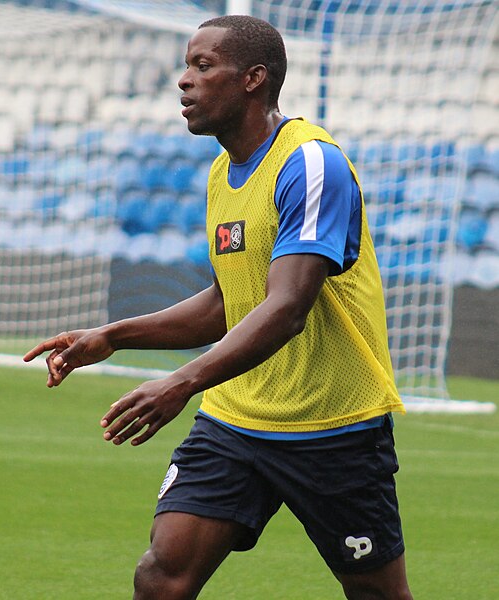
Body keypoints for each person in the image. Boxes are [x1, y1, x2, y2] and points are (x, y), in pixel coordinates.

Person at [24, 15, 413, 600]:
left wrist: (180, 383)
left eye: (203, 66)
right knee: (161, 575)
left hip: (331, 427)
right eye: (187, 65)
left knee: (376, 594)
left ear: (254, 78)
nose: (184, 81)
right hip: (235, 420)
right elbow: (228, 302)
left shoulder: (310, 165)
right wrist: (113, 335)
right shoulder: (221, 174)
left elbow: (286, 308)